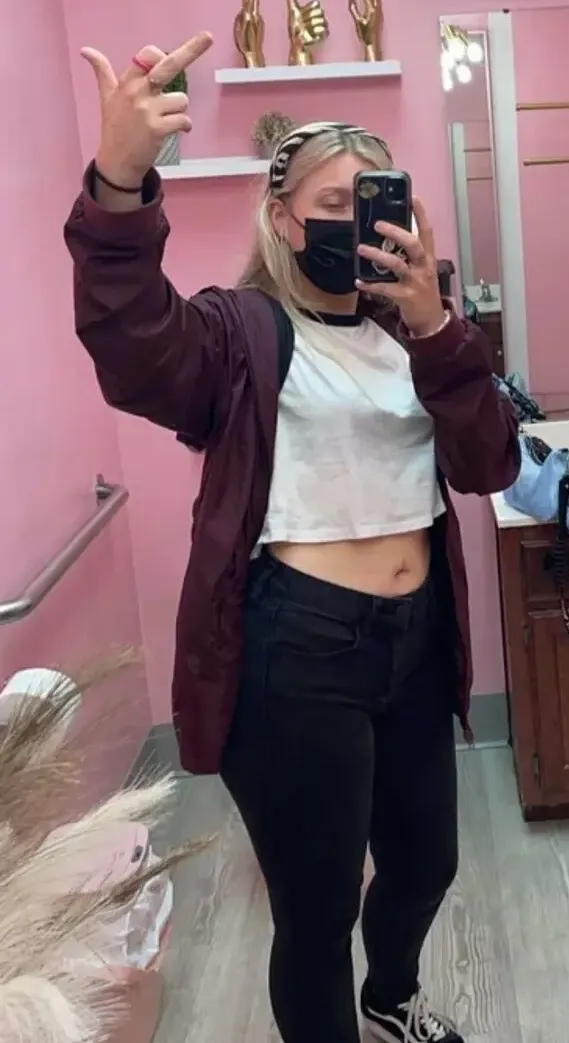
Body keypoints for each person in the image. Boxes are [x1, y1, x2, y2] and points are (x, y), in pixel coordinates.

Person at [64, 32, 520, 1043]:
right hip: (297, 648)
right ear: (282, 217)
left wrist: (438, 326)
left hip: (416, 639)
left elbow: (489, 463)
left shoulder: (418, 335)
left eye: (380, 205)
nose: (359, 225)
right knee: (316, 909)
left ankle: (390, 999)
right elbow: (133, 347)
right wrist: (121, 185)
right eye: (333, 204)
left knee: (426, 862)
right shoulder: (237, 332)